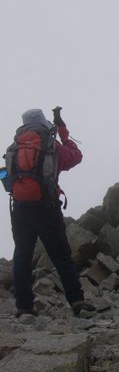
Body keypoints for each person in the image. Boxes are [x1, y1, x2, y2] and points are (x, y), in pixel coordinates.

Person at [5, 108, 95, 317]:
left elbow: (9, 178)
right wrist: (63, 132)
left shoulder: (13, 147)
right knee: (61, 255)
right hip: (46, 208)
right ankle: (76, 301)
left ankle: (24, 306)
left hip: (20, 208)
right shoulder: (51, 147)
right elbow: (77, 156)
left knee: (22, 255)